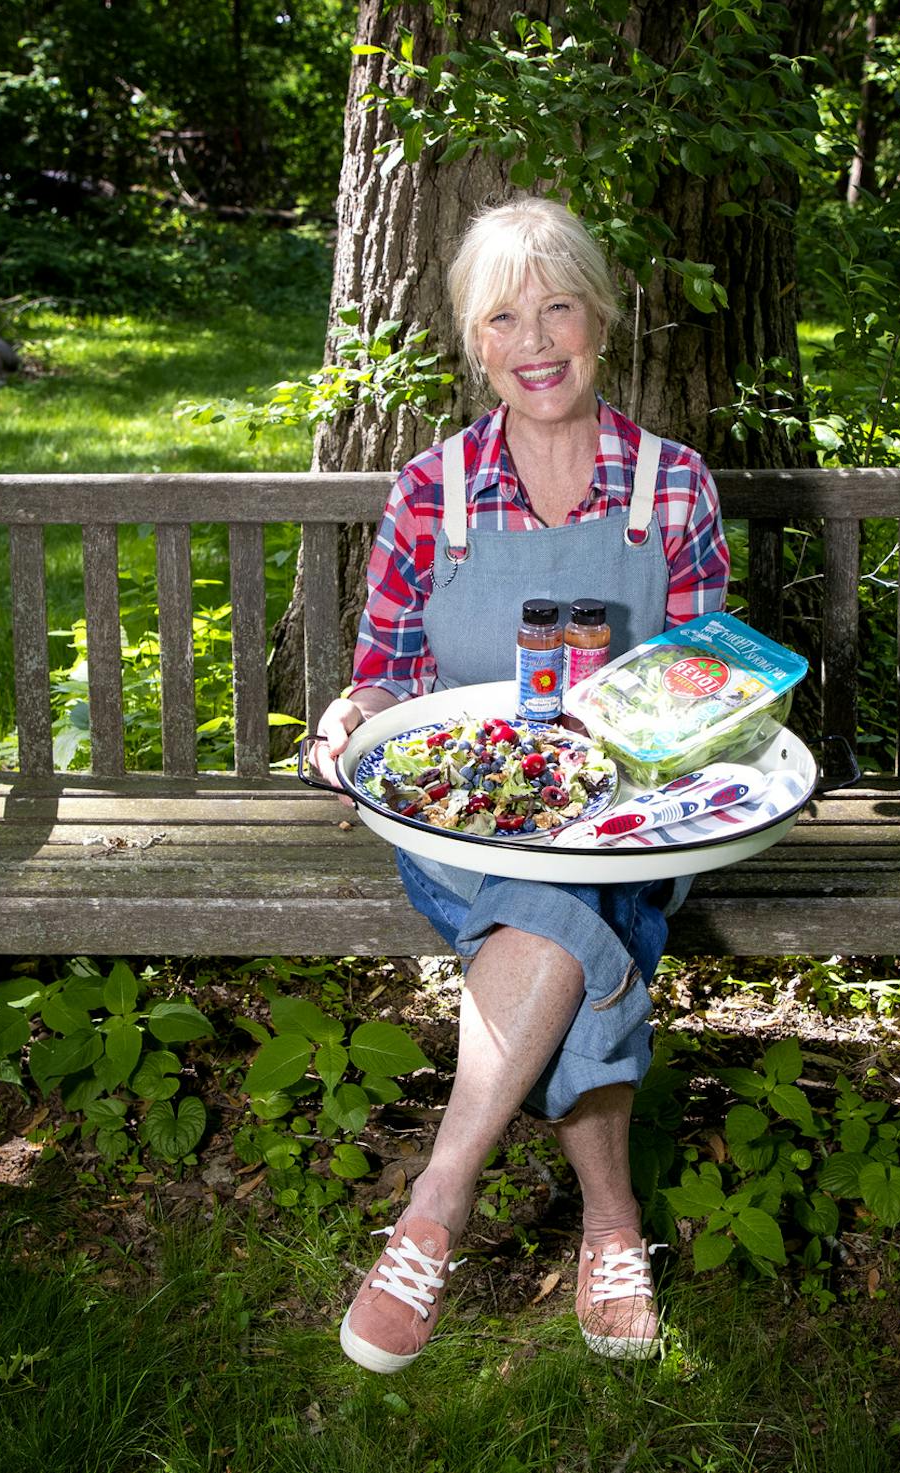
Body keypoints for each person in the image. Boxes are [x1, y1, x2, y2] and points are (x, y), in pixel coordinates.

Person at [307, 197, 729, 1372]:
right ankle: (611, 1226)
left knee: (577, 901)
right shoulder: (431, 491)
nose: (536, 341)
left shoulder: (674, 486)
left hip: (625, 819)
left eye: (557, 308)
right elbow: (388, 679)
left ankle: (436, 1204)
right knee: (572, 926)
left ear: (600, 317)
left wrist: (670, 741)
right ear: (476, 342)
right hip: (469, 821)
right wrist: (355, 716)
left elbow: (702, 689)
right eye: (506, 317)